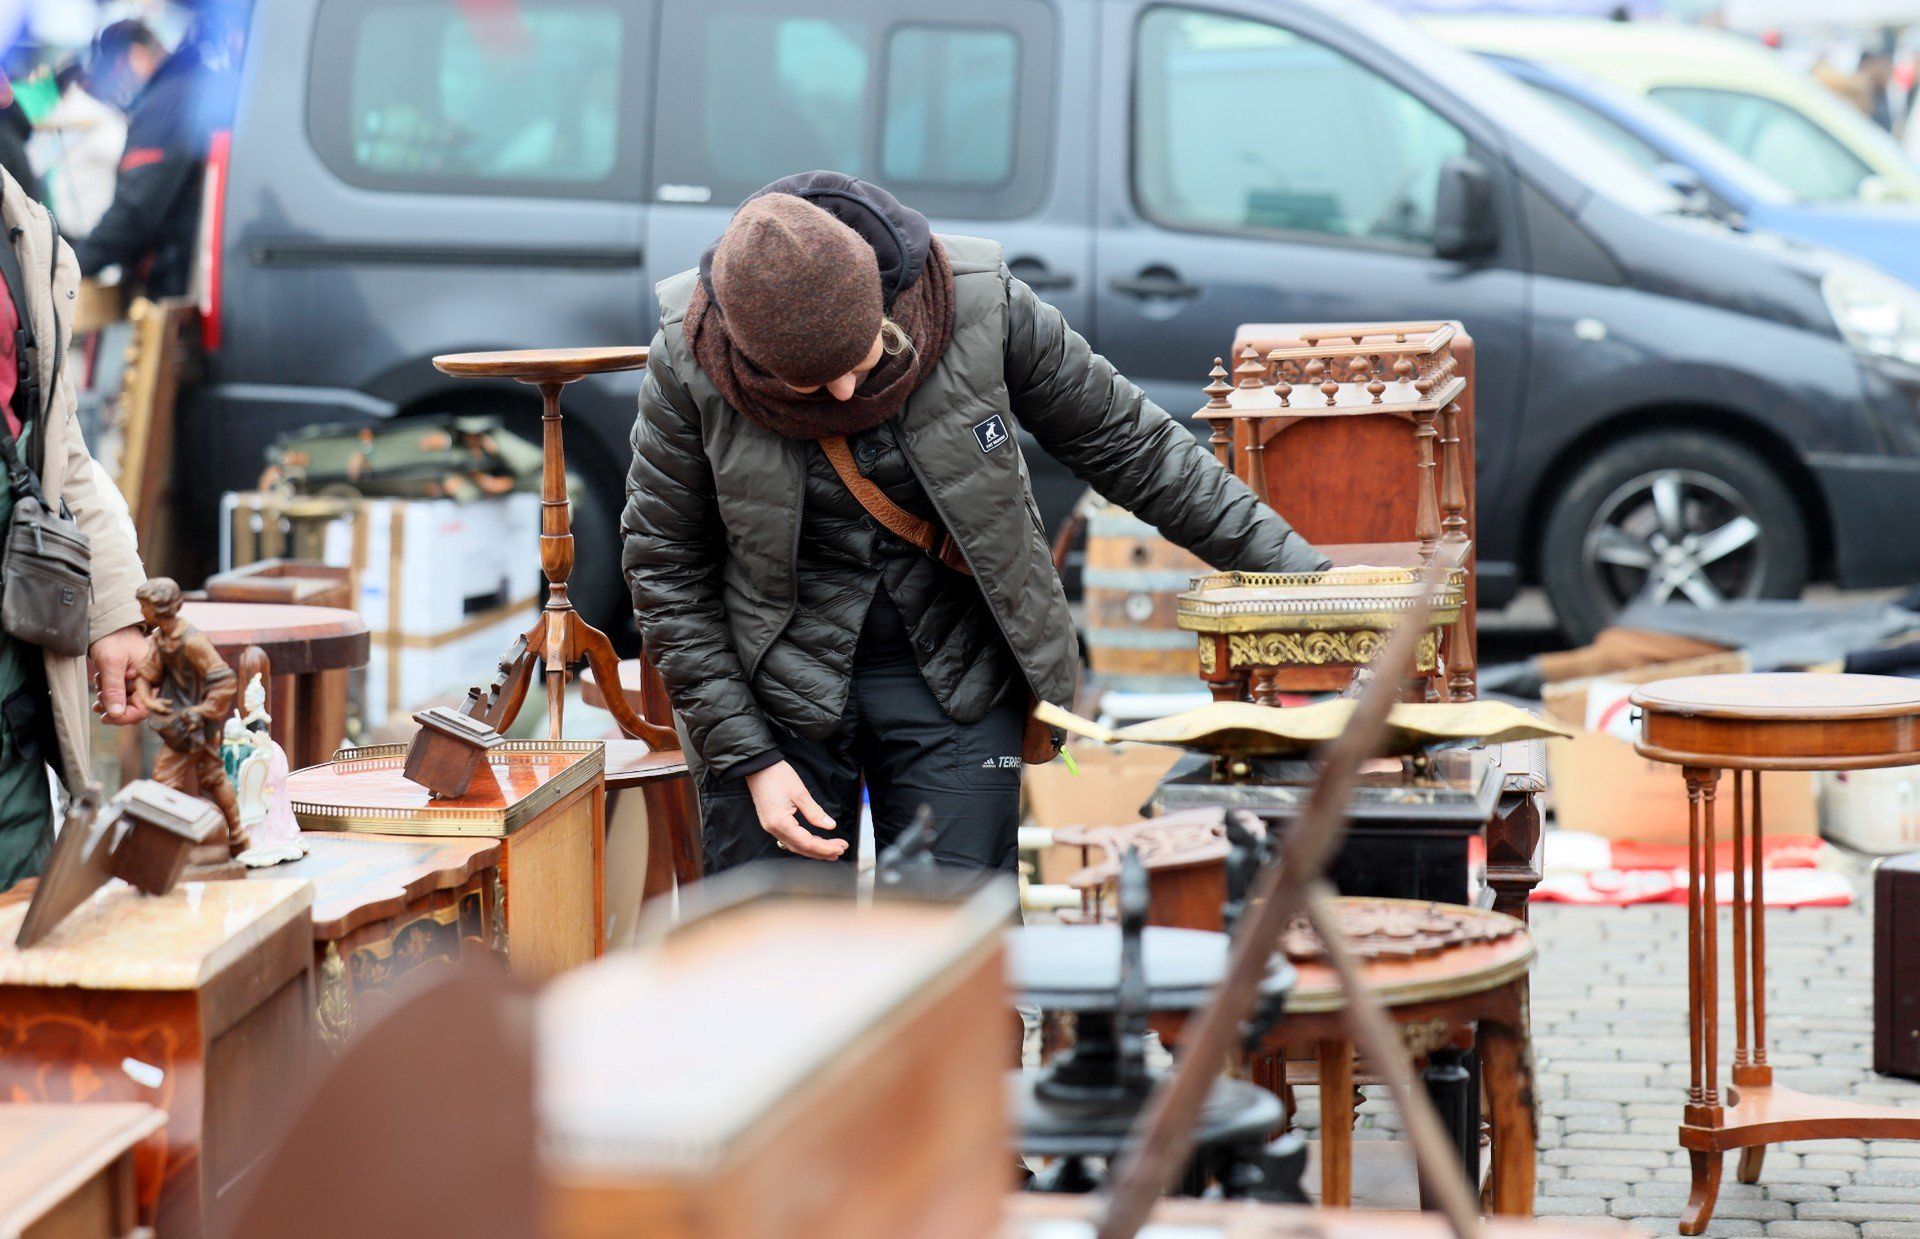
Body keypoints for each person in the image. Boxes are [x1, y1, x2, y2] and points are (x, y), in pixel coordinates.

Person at [622, 171, 1327, 877]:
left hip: (953, 673)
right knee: (783, 970)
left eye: (859, 359)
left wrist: (1306, 576)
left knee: (958, 957)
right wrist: (749, 756)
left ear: (880, 296)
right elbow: (664, 568)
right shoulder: (690, 359)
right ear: (747, 354)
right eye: (810, 384)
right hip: (773, 689)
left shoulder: (977, 299)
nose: (843, 393)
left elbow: (1130, 443)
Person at [0, 166, 150, 890]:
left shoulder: (23, 231)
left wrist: (116, 607)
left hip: (12, 683)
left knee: (21, 894)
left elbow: (59, 444)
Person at [76, 11, 241, 296]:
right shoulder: (197, 84)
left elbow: (135, 209)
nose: (116, 87)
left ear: (136, 56)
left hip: (175, 279)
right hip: (207, 273)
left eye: (115, 74)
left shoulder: (165, 106)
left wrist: (74, 267)